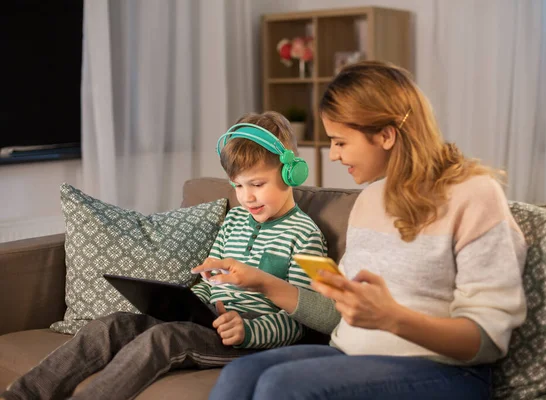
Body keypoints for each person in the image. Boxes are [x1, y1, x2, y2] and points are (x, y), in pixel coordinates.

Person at [207, 61, 528, 400]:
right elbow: (336, 317)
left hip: (445, 370)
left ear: (386, 135)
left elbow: (487, 340)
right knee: (240, 375)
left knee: (282, 386)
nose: (332, 156)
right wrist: (270, 283)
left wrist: (393, 318)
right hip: (352, 354)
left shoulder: (475, 194)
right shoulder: (369, 200)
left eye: (340, 142)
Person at [1, 111, 330, 400]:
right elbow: (208, 282)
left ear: (291, 173)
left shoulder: (305, 235)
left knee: (164, 337)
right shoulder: (234, 221)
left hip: (247, 341)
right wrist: (189, 301)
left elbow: (303, 323)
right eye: (238, 186)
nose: (247, 197)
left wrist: (248, 331)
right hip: (205, 324)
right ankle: (21, 395)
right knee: (111, 325)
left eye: (257, 184)